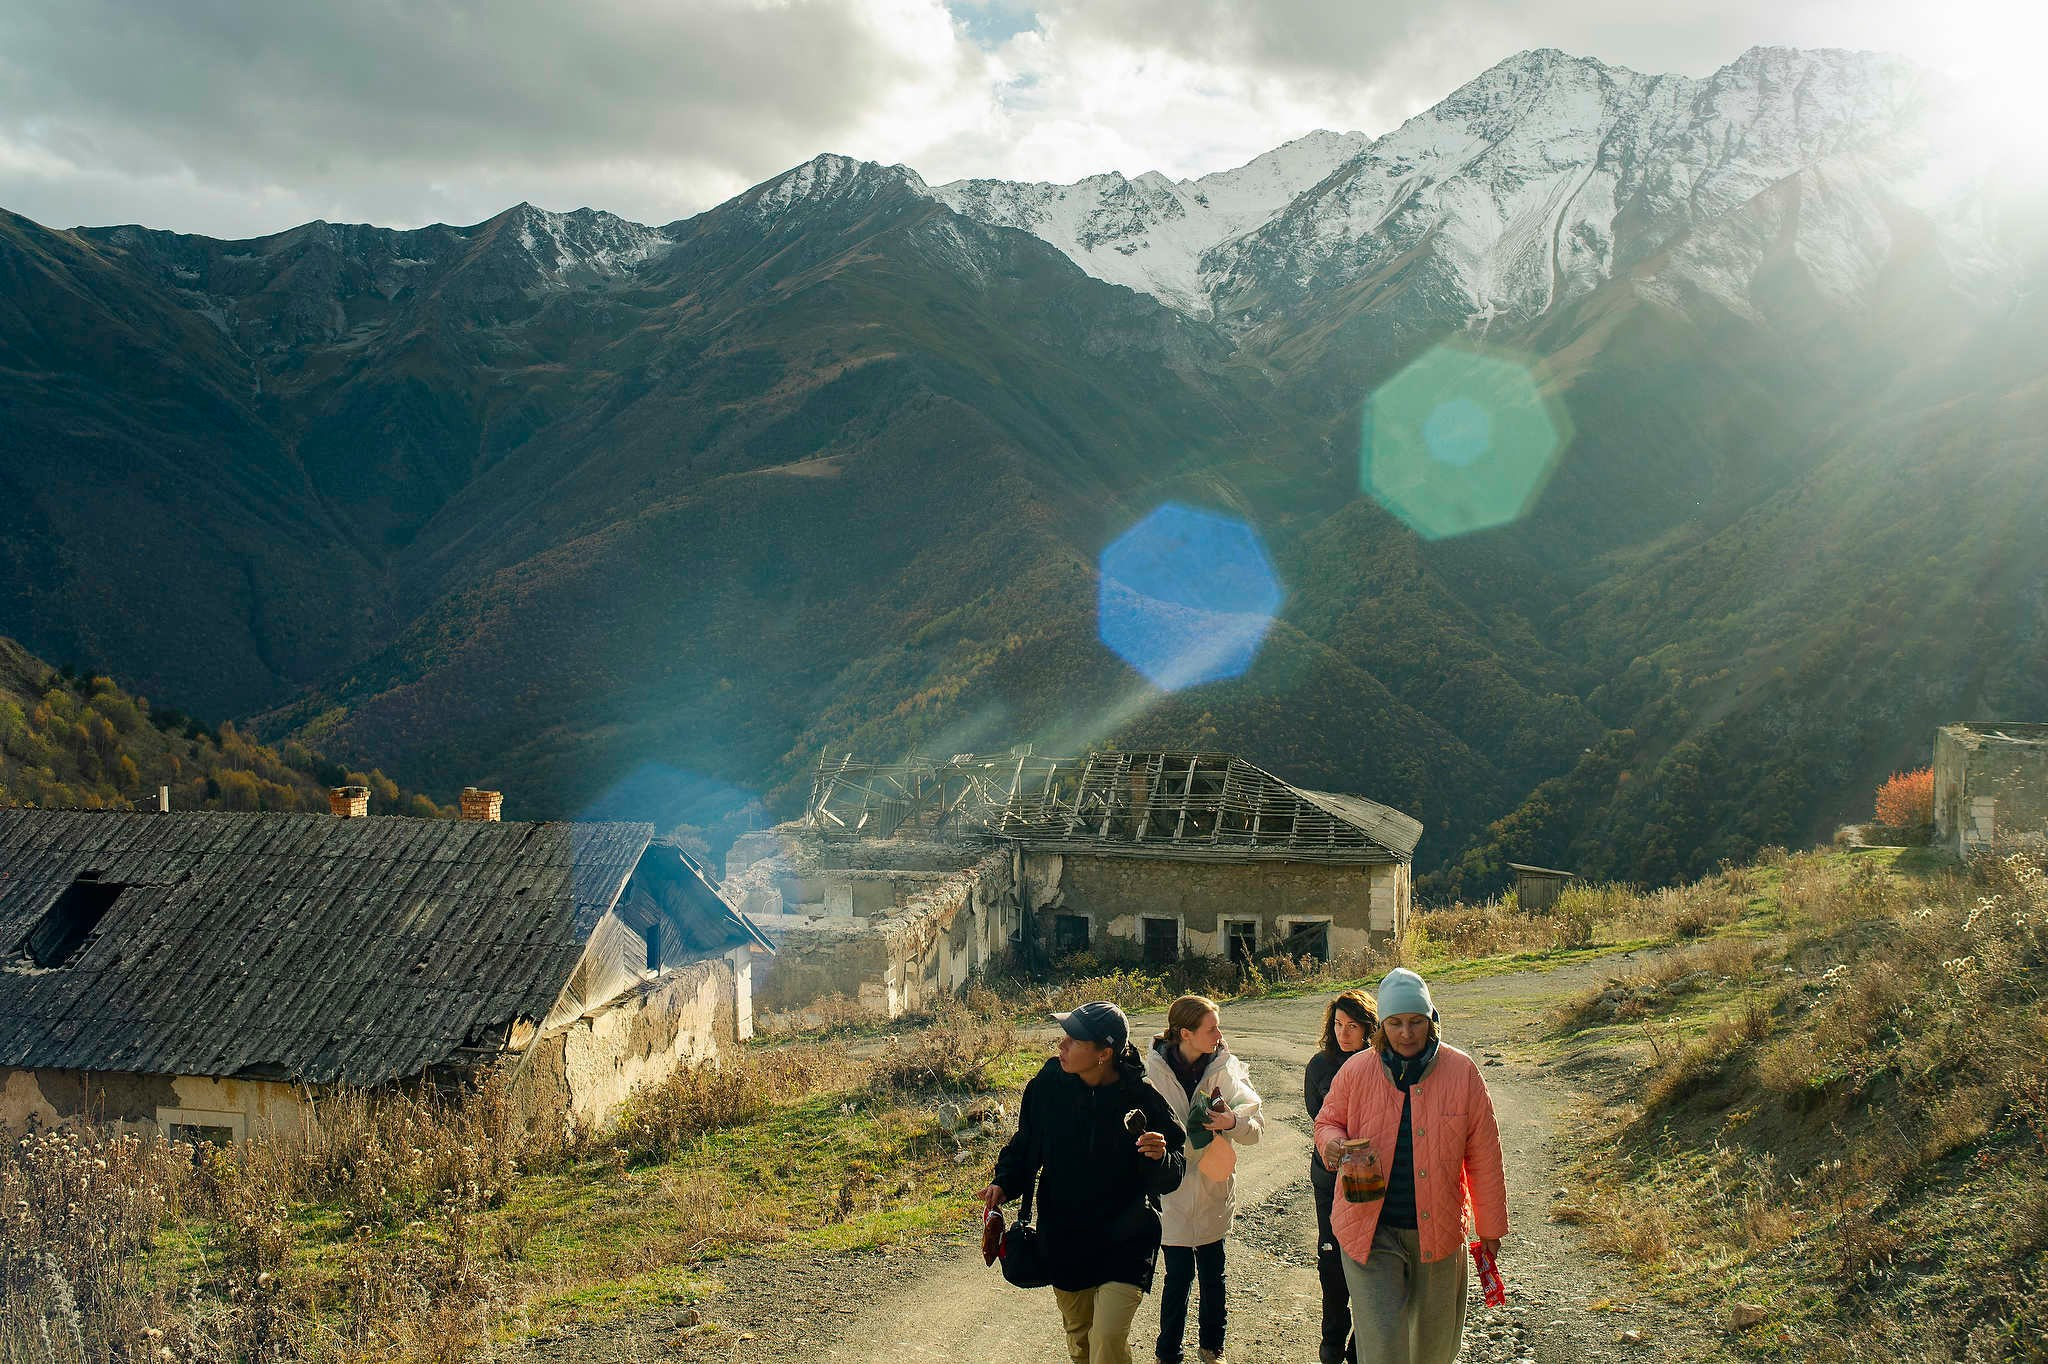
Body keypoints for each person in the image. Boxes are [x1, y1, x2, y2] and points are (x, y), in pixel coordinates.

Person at [1312, 969, 1507, 1364]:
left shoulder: (1462, 1072)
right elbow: (1328, 1119)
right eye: (1396, 1023)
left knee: (1432, 1350)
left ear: (1431, 1020)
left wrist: (1490, 1229)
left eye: (1416, 1022)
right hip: (1369, 1230)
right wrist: (1332, 1143)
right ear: (1382, 1026)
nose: (1406, 1033)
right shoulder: (1356, 1070)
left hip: (1437, 1233)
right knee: (1383, 1347)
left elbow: (1484, 1154)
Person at [984, 1000, 1188, 1364]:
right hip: (1065, 1237)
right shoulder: (1048, 1087)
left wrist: (1160, 1158)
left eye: (1074, 1040)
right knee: (1082, 1345)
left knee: (1107, 1341)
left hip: (1126, 1241)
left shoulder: (1141, 1100)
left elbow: (1173, 1173)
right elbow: (1027, 1143)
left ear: (1103, 1053)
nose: (1061, 1046)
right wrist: (1004, 1182)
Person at [1141, 994, 1265, 1364]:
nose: (1219, 1034)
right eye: (1211, 1028)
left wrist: (1232, 1122)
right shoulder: (1151, 1075)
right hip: (1172, 1190)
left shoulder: (1225, 1069)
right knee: (1177, 1276)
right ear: (1185, 1033)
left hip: (1213, 1186)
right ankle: (1168, 1354)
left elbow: (1256, 1126)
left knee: (1213, 1273)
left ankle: (1213, 1349)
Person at [1304, 988, 1377, 1364]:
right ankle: (1332, 1339)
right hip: (1329, 1176)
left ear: (1368, 1029)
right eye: (1337, 1025)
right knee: (1330, 1257)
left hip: (1369, 1175)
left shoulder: (1380, 1065)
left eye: (1352, 1026)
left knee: (1366, 1257)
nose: (1343, 1033)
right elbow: (1319, 1118)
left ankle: (1360, 1344)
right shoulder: (1319, 1065)